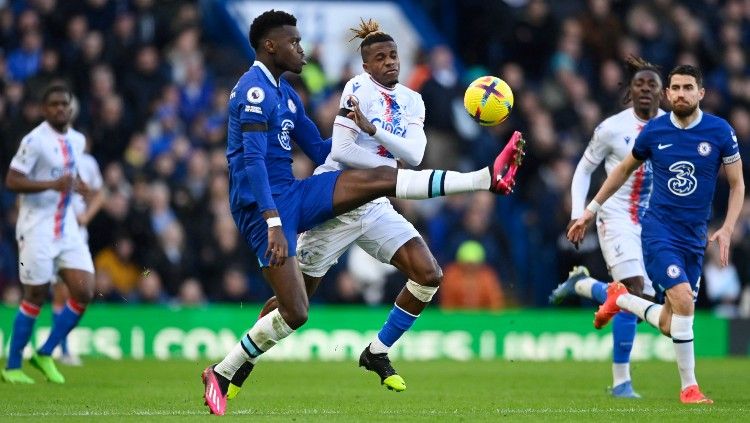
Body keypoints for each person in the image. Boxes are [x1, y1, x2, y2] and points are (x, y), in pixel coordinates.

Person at [200, 10, 525, 415]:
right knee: (295, 310)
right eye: (295, 43)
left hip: (309, 194)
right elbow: (251, 163)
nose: (302, 49)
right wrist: (272, 221)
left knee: (426, 271)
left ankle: (375, 350)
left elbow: (323, 150)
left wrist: (353, 147)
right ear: (271, 46)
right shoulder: (254, 91)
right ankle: (229, 367)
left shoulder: (286, 93)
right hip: (266, 206)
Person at [568, 64, 744, 404]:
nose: (680, 93)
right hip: (658, 231)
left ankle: (618, 298)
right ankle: (689, 388)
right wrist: (590, 210)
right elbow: (620, 171)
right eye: (675, 88)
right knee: (683, 300)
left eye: (687, 87)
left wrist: (727, 228)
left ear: (701, 93)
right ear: (669, 94)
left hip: (694, 238)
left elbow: (737, 185)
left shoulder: (720, 132)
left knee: (670, 322)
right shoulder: (654, 131)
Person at [548, 56, 665, 398]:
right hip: (614, 216)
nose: (645, 90)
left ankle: (585, 285)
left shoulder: (673, 128)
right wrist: (578, 212)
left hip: (652, 221)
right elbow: (584, 169)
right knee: (634, 291)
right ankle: (621, 383)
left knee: (643, 300)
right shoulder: (612, 128)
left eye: (652, 85)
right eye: (639, 84)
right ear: (630, 91)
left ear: (663, 94)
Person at [1, 84, 95, 385]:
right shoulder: (35, 141)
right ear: (44, 110)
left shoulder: (77, 141)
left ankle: (45, 352)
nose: (60, 109)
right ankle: (12, 366)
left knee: (84, 290)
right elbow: (12, 181)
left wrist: (78, 185)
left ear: (71, 108)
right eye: (53, 104)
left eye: (64, 104)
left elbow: (68, 175)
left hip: (67, 227)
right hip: (36, 228)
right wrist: (50, 185)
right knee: (36, 295)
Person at [51, 139, 104, 366]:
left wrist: (86, 216)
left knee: (80, 292)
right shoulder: (53, 162)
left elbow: (99, 194)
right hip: (55, 235)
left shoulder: (87, 163)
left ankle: (57, 348)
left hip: (78, 235)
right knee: (61, 291)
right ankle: (61, 350)